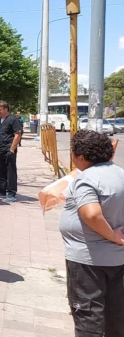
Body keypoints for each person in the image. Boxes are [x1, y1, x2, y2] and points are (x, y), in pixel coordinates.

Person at [59, 130, 124, 335]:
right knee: (116, 317)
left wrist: (112, 235)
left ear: (81, 156)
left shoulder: (87, 179)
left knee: (89, 320)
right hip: (117, 261)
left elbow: (92, 214)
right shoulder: (119, 173)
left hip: (88, 262)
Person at [0, 101, 22, 203]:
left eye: (0, 110)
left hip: (8, 150)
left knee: (10, 172)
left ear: (6, 109)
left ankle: (11, 193)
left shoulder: (13, 120)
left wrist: (12, 149)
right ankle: (2, 190)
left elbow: (18, 134)